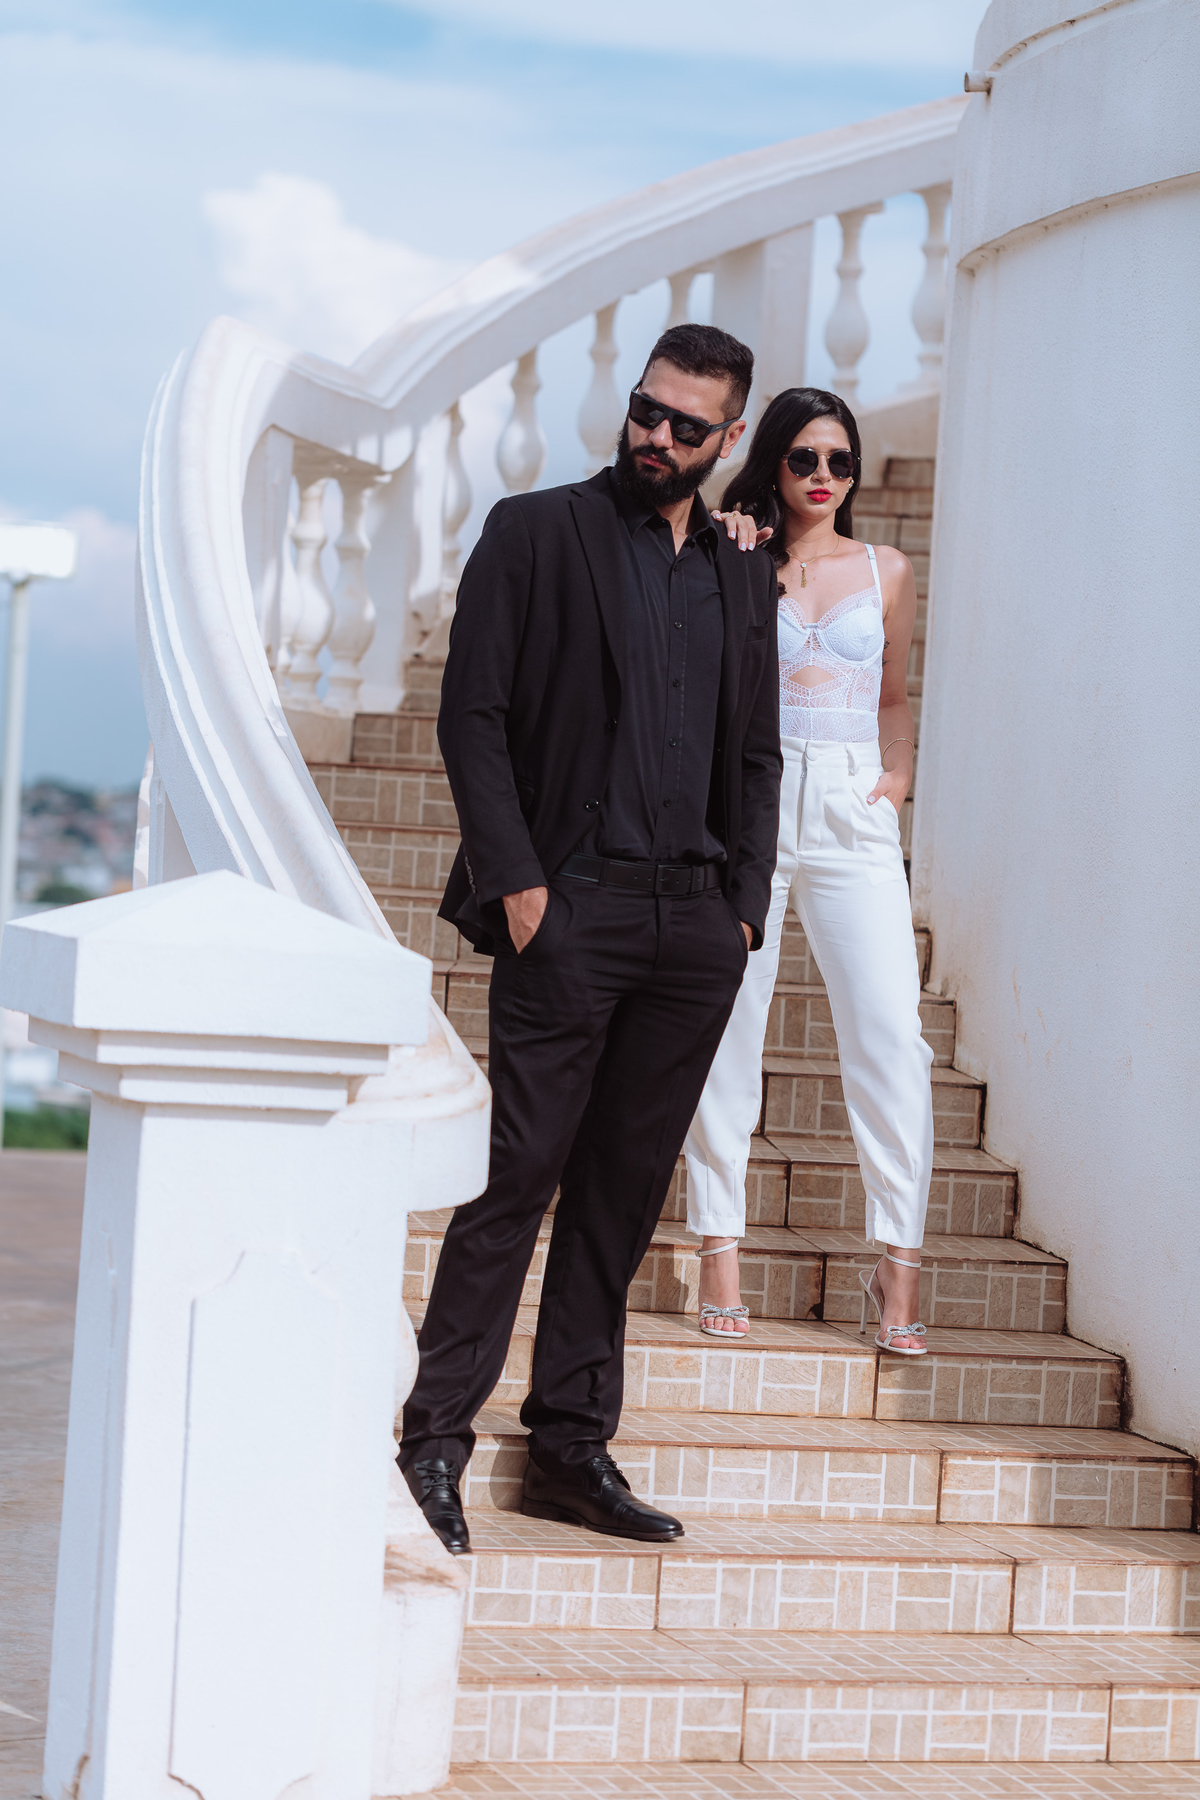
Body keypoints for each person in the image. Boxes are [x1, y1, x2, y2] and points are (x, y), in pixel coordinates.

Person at [399, 324, 783, 1553]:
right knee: (515, 1179)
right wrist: (520, 888)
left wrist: (742, 907)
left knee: (619, 1199)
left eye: (686, 425)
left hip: (694, 928)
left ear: (729, 438)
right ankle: (432, 1442)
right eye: (644, 410)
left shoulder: (740, 572)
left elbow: (757, 754)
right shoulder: (535, 533)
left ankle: (568, 1447)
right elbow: (473, 717)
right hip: (570, 910)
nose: (655, 436)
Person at [684, 386, 934, 1353]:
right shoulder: (738, 554)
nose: (824, 476)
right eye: (804, 458)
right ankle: (719, 1246)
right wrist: (725, 548)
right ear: (774, 463)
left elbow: (893, 694)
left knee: (892, 1033)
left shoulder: (887, 570)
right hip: (753, 801)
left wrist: (897, 776)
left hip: (851, 807)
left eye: (840, 460)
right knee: (729, 1025)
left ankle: (898, 1260)